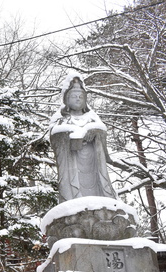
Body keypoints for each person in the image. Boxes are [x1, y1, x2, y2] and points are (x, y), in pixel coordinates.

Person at [49, 75, 117, 203]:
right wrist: (68, 137)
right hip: (71, 163)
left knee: (99, 188)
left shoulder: (92, 118)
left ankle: (101, 199)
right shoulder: (61, 119)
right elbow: (55, 136)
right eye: (74, 96)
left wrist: (95, 132)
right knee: (72, 190)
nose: (78, 99)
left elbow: (102, 130)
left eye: (81, 96)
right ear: (66, 99)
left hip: (93, 161)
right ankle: (73, 199)